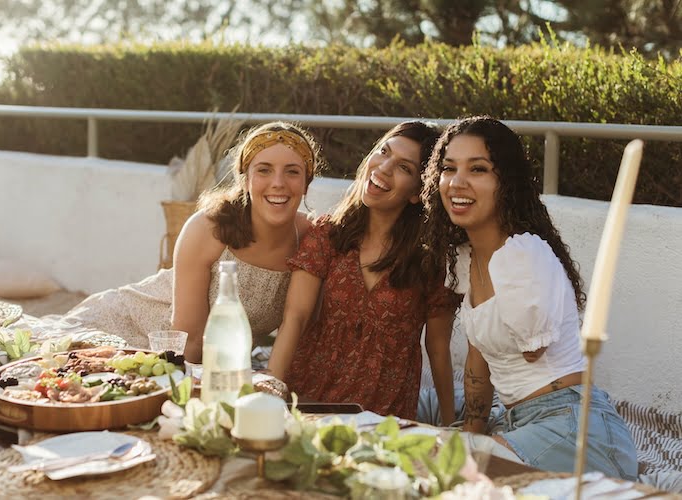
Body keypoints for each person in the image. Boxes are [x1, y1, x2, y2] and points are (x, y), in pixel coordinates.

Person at [421, 115, 637, 479]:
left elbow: (529, 351)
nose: (457, 182)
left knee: (449, 471)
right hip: (520, 420)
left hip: (576, 427)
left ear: (506, 183)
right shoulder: (467, 258)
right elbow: (479, 357)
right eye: (448, 168)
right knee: (418, 433)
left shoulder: (522, 255)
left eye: (478, 169)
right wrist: (472, 430)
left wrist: (473, 445)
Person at [62, 122, 322, 361]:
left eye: (292, 172)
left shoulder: (312, 238)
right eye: (264, 170)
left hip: (209, 363)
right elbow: (189, 341)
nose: (278, 183)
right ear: (245, 180)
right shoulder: (208, 228)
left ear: (306, 184)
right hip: (130, 338)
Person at [268, 121, 456, 422]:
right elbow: (296, 317)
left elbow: (438, 347)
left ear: (417, 193)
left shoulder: (430, 260)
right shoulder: (328, 234)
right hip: (308, 397)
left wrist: (450, 423)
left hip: (381, 415)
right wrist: (270, 393)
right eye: (383, 152)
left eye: (404, 168)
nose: (383, 167)